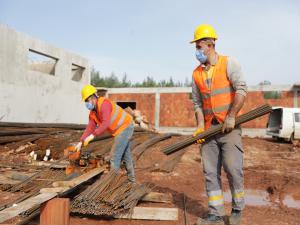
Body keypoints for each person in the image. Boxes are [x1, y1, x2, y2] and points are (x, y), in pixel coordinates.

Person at [190, 24, 247, 225]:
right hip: (208, 130)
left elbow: (241, 90)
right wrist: (199, 126)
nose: (197, 51)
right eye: (196, 47)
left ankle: (237, 210)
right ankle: (215, 215)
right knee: (210, 173)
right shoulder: (196, 74)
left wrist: (232, 116)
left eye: (199, 46)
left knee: (233, 169)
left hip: (229, 127)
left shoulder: (229, 63)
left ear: (210, 44)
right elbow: (197, 103)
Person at [75, 84, 135, 182]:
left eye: (86, 101)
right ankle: (132, 181)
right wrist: (81, 141)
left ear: (92, 98)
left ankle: (112, 184)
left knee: (114, 157)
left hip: (125, 127)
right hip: (120, 129)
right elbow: (90, 127)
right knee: (126, 155)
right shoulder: (93, 113)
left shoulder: (104, 104)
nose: (86, 103)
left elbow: (106, 123)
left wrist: (93, 135)